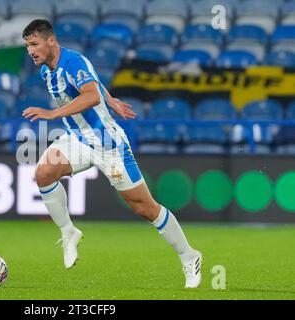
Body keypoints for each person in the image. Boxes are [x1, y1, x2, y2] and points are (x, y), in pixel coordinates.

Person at [21, 19, 202, 288]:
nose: (31, 51)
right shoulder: (47, 70)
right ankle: (68, 231)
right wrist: (112, 100)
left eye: (34, 44)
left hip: (108, 145)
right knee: (44, 173)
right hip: (77, 140)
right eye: (27, 46)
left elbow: (91, 95)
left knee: (144, 208)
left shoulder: (73, 62)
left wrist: (54, 113)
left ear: (51, 41)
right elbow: (95, 86)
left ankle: (189, 256)